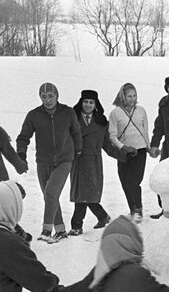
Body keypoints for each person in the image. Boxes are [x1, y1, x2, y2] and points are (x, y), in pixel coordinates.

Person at [16, 82, 82, 243]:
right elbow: (23, 137)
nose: (48, 100)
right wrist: (21, 153)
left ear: (57, 96)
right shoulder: (34, 115)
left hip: (65, 159)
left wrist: (78, 150)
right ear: (40, 97)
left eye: (51, 96)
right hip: (43, 161)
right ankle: (60, 230)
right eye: (44, 96)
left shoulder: (67, 112)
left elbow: (76, 131)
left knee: (51, 192)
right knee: (50, 196)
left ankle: (46, 230)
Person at [68, 90, 123, 236]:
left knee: (86, 192)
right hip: (77, 160)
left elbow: (107, 145)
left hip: (93, 160)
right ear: (81, 102)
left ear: (95, 104)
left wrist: (123, 155)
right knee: (84, 192)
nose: (88, 105)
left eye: (91, 102)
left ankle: (77, 226)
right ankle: (102, 217)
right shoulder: (72, 119)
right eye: (85, 101)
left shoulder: (101, 121)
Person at [108, 83, 150, 221]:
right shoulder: (115, 113)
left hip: (140, 150)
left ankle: (138, 209)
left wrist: (148, 147)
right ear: (122, 97)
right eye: (129, 96)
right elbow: (112, 135)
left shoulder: (141, 110)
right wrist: (122, 147)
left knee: (133, 181)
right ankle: (132, 209)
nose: (132, 99)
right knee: (124, 181)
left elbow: (145, 130)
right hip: (124, 152)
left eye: (134, 95)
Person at [149, 75, 169, 219]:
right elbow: (159, 125)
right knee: (162, 177)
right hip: (168, 147)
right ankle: (165, 209)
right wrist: (155, 144)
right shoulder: (164, 103)